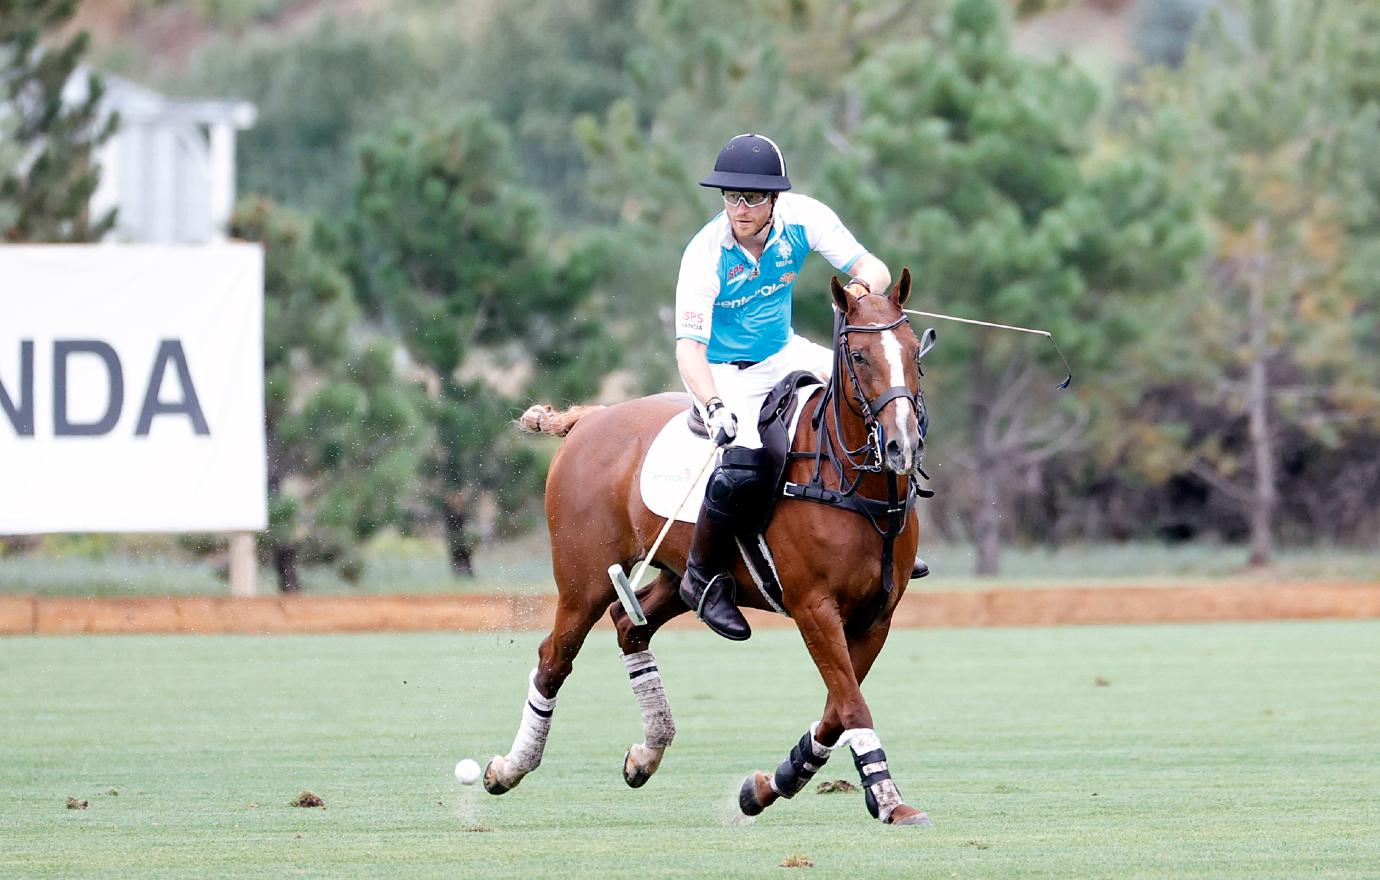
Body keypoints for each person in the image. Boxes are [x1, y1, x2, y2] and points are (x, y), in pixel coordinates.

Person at [674, 133, 926, 642]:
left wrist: (861, 287)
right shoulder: (705, 254)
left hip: (784, 350)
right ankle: (703, 578)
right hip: (728, 369)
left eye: (751, 198)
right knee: (750, 461)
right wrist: (714, 403)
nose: (739, 208)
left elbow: (871, 267)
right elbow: (689, 351)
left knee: (884, 401)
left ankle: (890, 533)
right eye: (730, 196)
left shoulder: (805, 218)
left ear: (775, 199)